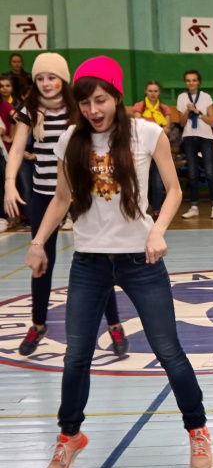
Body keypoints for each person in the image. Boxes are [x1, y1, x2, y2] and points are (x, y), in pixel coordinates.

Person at [30, 56, 212, 468]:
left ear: (116, 95)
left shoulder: (146, 133)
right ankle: (69, 435)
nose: (93, 110)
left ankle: (197, 428)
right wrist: (38, 242)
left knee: (168, 350)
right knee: (76, 355)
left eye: (100, 100)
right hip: (88, 261)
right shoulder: (70, 140)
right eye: (85, 103)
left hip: (140, 260)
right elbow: (61, 198)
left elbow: (174, 191)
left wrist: (158, 231)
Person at [4, 53, 126, 357]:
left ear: (63, 79)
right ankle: (38, 323)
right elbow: (17, 149)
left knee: (98, 258)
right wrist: (9, 183)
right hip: (44, 195)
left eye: (52, 77)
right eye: (40, 78)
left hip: (80, 194)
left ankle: (114, 323)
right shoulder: (29, 110)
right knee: (40, 261)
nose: (46, 83)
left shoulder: (79, 108)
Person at [177, 70, 213, 220]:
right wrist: (187, 111)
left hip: (205, 137)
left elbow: (212, 121)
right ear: (185, 82)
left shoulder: (206, 97)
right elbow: (182, 123)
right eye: (188, 80)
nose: (191, 83)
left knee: (209, 171)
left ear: (199, 82)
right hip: (189, 137)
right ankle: (194, 206)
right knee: (192, 172)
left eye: (194, 80)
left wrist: (198, 112)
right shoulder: (182, 97)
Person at [131, 81, 176, 218]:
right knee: (139, 179)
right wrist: (156, 128)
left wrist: (155, 130)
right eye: (150, 91)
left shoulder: (164, 109)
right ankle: (138, 209)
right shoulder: (139, 106)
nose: (153, 94)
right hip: (141, 146)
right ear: (146, 91)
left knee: (157, 179)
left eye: (155, 91)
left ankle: (156, 209)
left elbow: (166, 128)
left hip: (158, 146)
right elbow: (138, 125)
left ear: (159, 92)